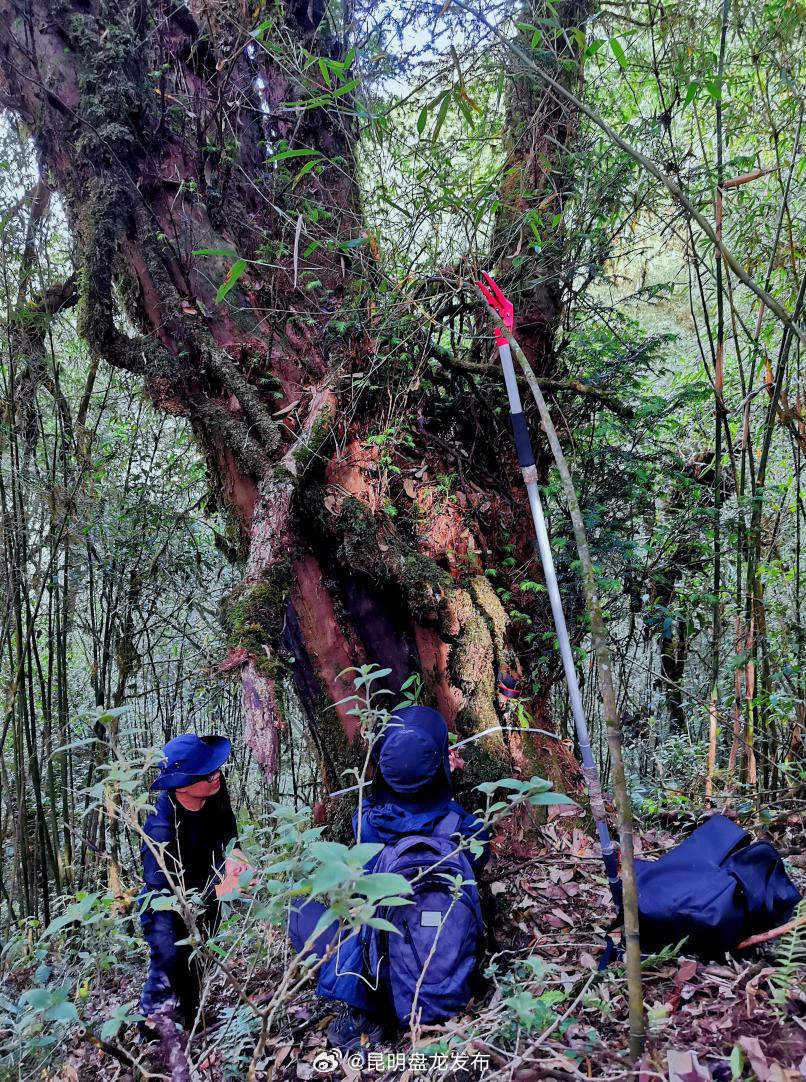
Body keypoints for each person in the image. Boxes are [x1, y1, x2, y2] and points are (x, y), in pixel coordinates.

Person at [289, 705, 489, 1052]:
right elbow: (474, 857)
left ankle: (368, 1013)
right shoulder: (466, 828)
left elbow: (390, 810)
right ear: (442, 763)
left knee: (295, 909)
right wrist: (448, 777)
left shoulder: (365, 824)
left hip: (385, 985)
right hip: (453, 982)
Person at [138, 733, 246, 1032]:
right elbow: (161, 889)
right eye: (206, 772)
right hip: (165, 903)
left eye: (214, 768)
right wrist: (221, 890)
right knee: (170, 963)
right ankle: (150, 1030)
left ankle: (193, 1022)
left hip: (206, 887)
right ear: (182, 784)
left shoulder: (214, 790)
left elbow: (227, 825)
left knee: (198, 958)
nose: (216, 775)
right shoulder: (160, 829)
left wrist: (235, 854)